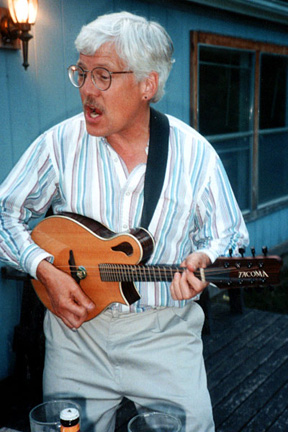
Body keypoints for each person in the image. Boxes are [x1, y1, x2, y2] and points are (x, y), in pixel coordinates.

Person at [0, 11, 249, 432]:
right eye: (81, 73)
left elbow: (231, 238)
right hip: (75, 334)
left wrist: (207, 260)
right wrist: (42, 268)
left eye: (102, 75)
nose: (87, 91)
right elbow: (5, 212)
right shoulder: (60, 143)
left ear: (147, 85)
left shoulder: (195, 155)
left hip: (165, 334)